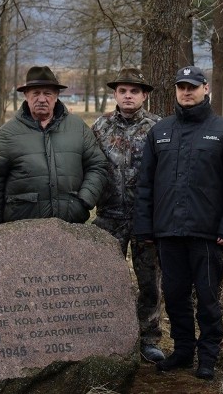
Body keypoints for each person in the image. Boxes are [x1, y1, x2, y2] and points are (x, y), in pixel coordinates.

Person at [134, 66, 223, 381]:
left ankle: (207, 356)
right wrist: (145, 228)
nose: (186, 91)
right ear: (176, 91)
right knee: (175, 296)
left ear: (206, 89)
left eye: (193, 86)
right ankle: (183, 351)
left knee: (208, 299)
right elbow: (146, 185)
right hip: (168, 232)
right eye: (181, 87)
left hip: (208, 235)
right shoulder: (160, 132)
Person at [91, 67, 165, 363]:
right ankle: (106, 335)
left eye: (134, 91)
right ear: (115, 95)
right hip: (109, 215)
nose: (128, 96)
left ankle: (148, 337)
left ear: (144, 95)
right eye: (122, 91)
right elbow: (90, 166)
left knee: (149, 280)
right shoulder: (100, 126)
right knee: (105, 277)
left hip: (145, 217)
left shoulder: (159, 128)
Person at [0, 66, 108, 225]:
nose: (42, 99)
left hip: (70, 227)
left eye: (47, 93)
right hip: (22, 231)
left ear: (56, 96)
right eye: (36, 93)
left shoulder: (78, 127)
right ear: (26, 95)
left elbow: (98, 165)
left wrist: (84, 199)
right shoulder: (7, 134)